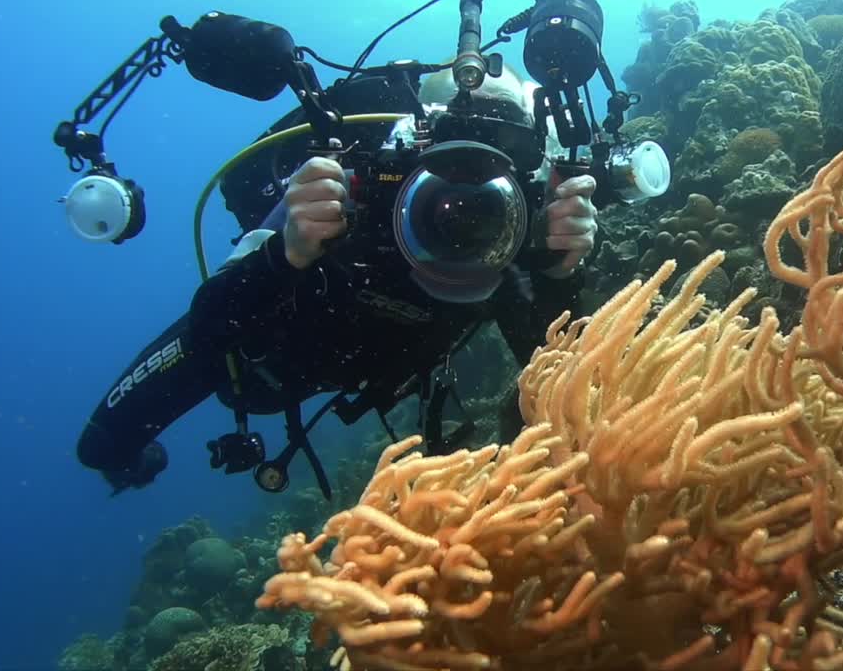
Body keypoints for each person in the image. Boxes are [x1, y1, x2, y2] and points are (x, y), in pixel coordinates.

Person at [75, 67, 599, 494]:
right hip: (266, 365)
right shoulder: (354, 198)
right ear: (411, 137)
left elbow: (556, 367)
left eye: (490, 164)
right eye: (447, 148)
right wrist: (288, 253)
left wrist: (559, 272)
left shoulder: (512, 230)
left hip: (360, 375)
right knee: (102, 448)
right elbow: (210, 330)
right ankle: (129, 465)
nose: (460, 207)